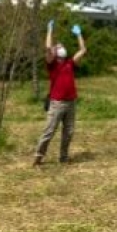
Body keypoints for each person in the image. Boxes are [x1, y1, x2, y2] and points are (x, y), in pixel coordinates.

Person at [33, 20, 87, 166]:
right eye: (58, 45)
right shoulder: (52, 64)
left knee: (68, 132)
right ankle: (38, 156)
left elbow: (83, 50)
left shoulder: (70, 62)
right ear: (55, 51)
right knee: (49, 131)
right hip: (57, 103)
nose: (60, 45)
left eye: (61, 45)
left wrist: (79, 34)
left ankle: (63, 157)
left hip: (71, 102)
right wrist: (49, 30)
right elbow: (48, 47)